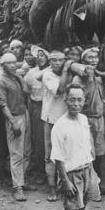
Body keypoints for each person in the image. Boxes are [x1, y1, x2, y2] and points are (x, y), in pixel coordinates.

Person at [51, 83, 99, 210]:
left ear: (84, 101)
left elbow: (88, 143)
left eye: (79, 99)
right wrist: (65, 181)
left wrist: (92, 168)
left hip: (86, 170)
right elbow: (58, 157)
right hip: (70, 175)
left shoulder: (84, 119)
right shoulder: (60, 126)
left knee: (81, 209)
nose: (76, 103)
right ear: (66, 100)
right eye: (72, 99)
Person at [71, 47, 105, 197]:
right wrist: (89, 79)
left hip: (99, 120)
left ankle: (98, 184)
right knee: (85, 154)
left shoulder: (99, 78)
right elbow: (81, 101)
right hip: (85, 120)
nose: (93, 60)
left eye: (95, 58)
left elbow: (103, 101)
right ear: (84, 61)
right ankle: (84, 187)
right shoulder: (78, 79)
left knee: (99, 153)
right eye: (90, 58)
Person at [0, 52, 36, 201]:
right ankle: (17, 187)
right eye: (9, 63)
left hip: (24, 113)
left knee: (27, 150)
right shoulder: (0, 81)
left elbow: (27, 91)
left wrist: (19, 77)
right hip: (14, 117)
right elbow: (2, 104)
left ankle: (22, 180)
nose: (12, 65)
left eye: (14, 62)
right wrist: (12, 122)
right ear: (3, 65)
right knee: (16, 153)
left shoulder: (16, 77)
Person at [41, 50, 71, 201]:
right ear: (49, 62)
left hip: (67, 119)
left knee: (66, 153)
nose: (58, 63)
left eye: (61, 60)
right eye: (55, 60)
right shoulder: (47, 75)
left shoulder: (69, 73)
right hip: (51, 119)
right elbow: (59, 90)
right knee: (50, 155)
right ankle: (52, 188)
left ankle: (65, 185)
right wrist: (66, 69)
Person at [23, 46, 49, 181]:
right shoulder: (31, 72)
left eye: (42, 55)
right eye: (38, 56)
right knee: (36, 138)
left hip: (48, 106)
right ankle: (39, 168)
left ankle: (47, 170)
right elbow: (26, 90)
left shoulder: (50, 71)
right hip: (34, 106)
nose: (40, 58)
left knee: (46, 139)